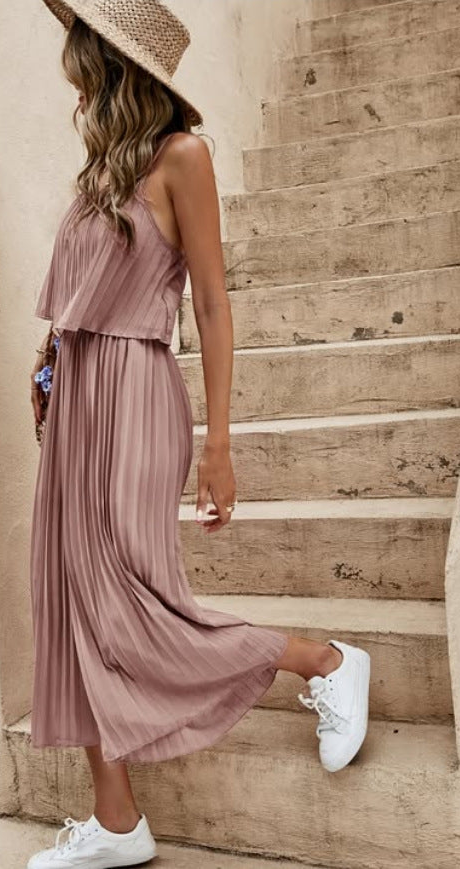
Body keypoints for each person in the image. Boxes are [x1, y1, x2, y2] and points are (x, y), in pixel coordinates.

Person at [27, 1, 371, 866]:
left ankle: (324, 661)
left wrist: (219, 442)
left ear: (112, 65)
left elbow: (212, 304)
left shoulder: (183, 156)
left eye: (78, 55)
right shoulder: (99, 175)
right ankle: (115, 820)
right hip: (77, 400)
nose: (69, 71)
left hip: (136, 396)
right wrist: (49, 360)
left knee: (135, 605)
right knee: (74, 600)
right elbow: (78, 300)